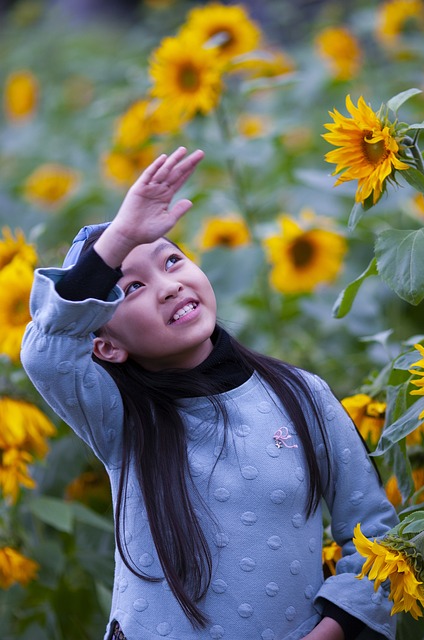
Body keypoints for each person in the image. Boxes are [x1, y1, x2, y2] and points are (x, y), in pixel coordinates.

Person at [21, 147, 398, 640]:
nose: (169, 286)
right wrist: (120, 239)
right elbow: (48, 350)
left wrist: (329, 632)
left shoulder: (302, 395)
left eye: (172, 260)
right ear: (106, 345)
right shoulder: (122, 421)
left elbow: (376, 537)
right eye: (131, 287)